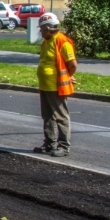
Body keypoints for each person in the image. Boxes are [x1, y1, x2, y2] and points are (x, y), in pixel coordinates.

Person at [33, 13, 77, 157]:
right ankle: (49, 143)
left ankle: (64, 146)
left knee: (61, 116)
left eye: (41, 29)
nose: (40, 31)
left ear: (48, 29)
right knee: (47, 116)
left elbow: (72, 64)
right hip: (45, 85)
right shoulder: (46, 41)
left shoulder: (62, 42)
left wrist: (69, 76)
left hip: (57, 86)